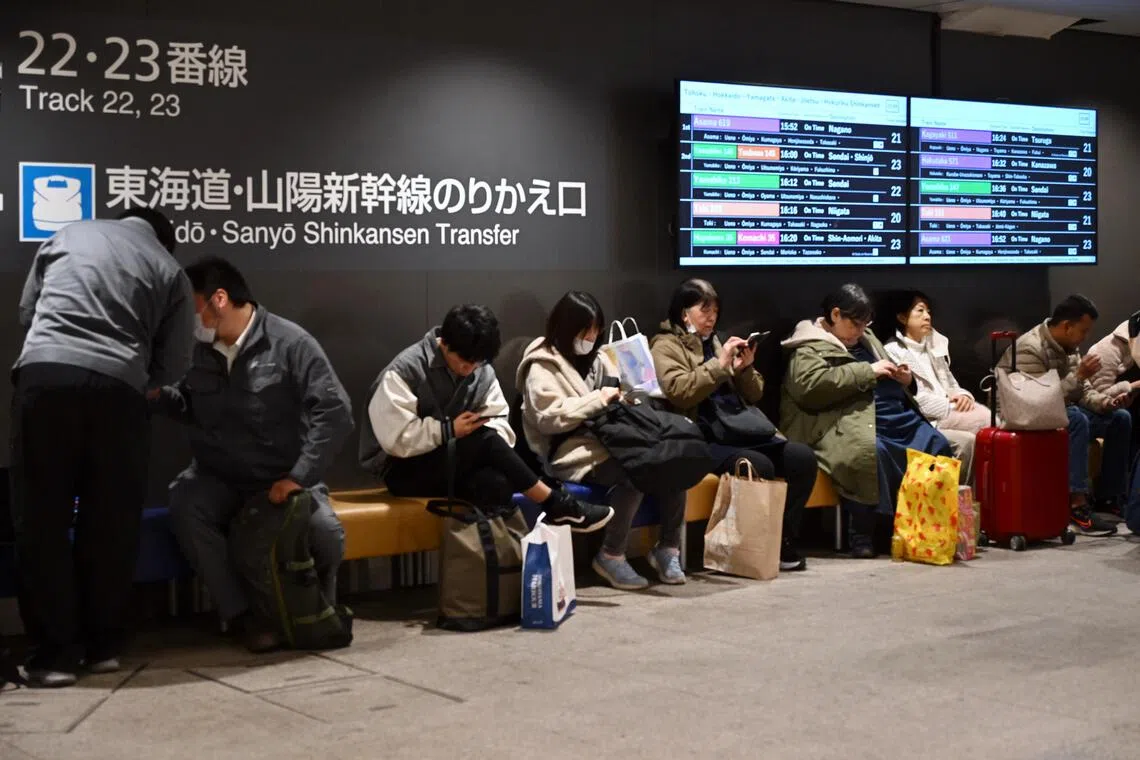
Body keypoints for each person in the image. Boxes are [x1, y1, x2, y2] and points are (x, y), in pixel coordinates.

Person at [10, 207, 195, 687]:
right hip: (120, 392)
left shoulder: (67, 234)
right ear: (163, 239)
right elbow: (176, 361)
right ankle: (103, 646)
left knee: (43, 516)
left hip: (47, 375)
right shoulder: (168, 268)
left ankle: (53, 656)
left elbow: (29, 313)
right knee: (110, 519)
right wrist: (139, 377)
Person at [150, 257, 354, 652]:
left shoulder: (290, 343)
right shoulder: (193, 350)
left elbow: (336, 412)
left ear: (219, 300)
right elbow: (192, 407)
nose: (189, 321)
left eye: (192, 309)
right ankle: (243, 616)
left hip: (279, 476)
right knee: (185, 503)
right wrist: (161, 398)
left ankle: (316, 609)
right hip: (219, 477)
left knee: (326, 533)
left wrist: (298, 477)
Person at [359, 304, 613, 533]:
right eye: (463, 361)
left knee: (496, 483)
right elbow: (396, 440)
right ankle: (558, 505)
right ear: (444, 343)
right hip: (402, 470)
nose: (469, 369)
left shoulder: (482, 370)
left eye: (477, 363)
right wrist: (448, 430)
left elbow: (499, 420)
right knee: (484, 439)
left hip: (454, 463)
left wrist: (475, 435)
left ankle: (491, 574)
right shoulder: (406, 370)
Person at [517, 291, 688, 590]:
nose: (592, 337)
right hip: (568, 451)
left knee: (670, 463)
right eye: (586, 331)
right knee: (634, 471)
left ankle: (668, 548)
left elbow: (617, 395)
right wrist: (598, 400)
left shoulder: (599, 360)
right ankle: (611, 554)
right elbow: (548, 418)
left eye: (596, 330)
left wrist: (626, 399)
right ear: (567, 328)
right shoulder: (541, 365)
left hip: (610, 440)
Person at [650, 279, 817, 572]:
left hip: (740, 428)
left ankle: (781, 539)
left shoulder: (717, 340)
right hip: (703, 435)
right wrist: (718, 365)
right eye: (704, 310)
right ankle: (748, 548)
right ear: (683, 313)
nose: (711, 318)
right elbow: (678, 391)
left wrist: (745, 369)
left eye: (715, 311)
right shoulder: (665, 345)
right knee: (757, 465)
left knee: (801, 459)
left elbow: (755, 395)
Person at [780, 284, 954, 559]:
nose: (861, 331)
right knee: (871, 452)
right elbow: (810, 389)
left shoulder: (867, 338)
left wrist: (906, 380)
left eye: (865, 324)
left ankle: (927, 525)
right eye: (855, 324)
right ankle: (867, 533)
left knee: (935, 442)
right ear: (835, 315)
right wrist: (867, 371)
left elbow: (892, 377)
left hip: (891, 415)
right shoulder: (806, 348)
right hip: (843, 421)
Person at [998, 295, 1128, 534]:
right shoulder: (1030, 348)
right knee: (1076, 418)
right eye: (1083, 331)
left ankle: (1109, 497)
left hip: (1060, 411)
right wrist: (1078, 376)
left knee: (1120, 418)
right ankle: (1076, 505)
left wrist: (1106, 403)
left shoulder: (1070, 347)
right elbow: (1036, 401)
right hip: (1025, 417)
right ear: (1067, 327)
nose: (1085, 337)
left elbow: (1084, 391)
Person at [883, 290, 990, 484]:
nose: (927, 316)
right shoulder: (893, 351)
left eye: (928, 311)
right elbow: (913, 398)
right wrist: (950, 405)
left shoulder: (934, 344)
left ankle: (981, 498)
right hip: (926, 419)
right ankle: (959, 500)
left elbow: (950, 382)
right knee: (978, 433)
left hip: (950, 410)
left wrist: (963, 395)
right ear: (902, 317)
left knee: (992, 431)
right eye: (920, 311)